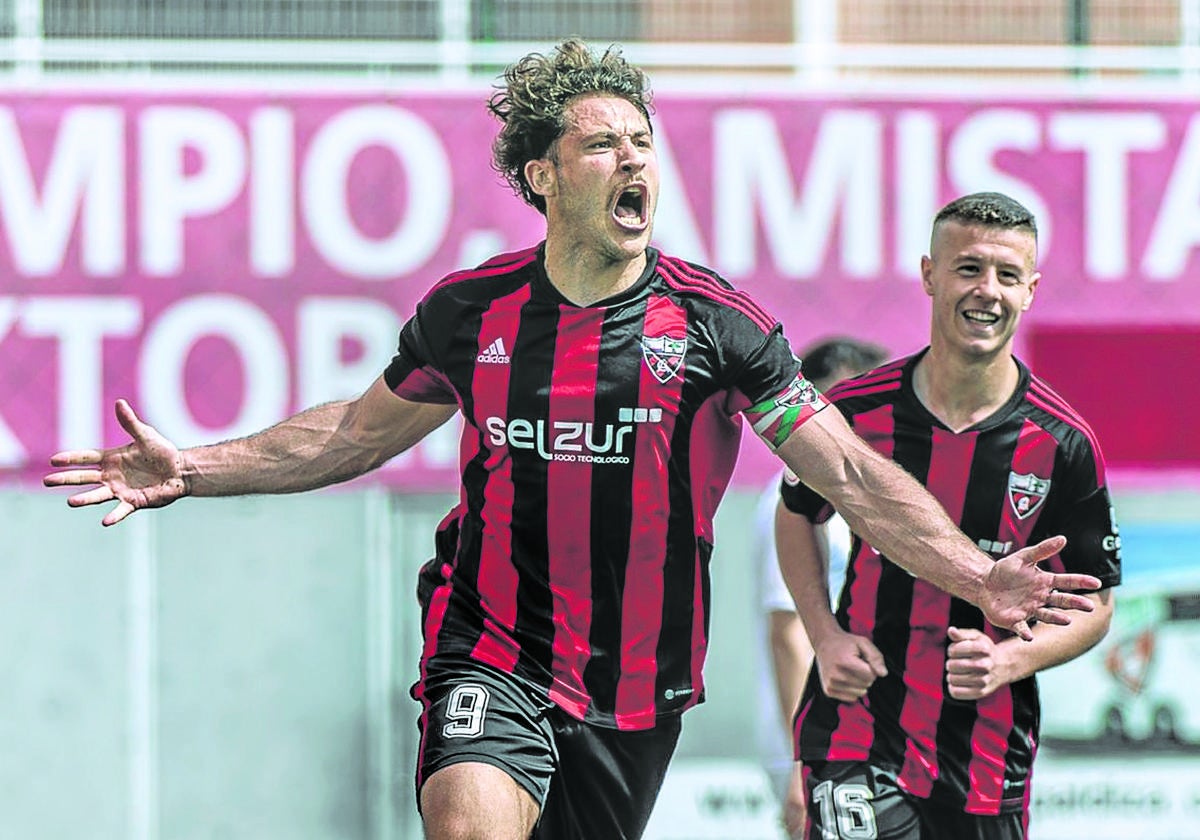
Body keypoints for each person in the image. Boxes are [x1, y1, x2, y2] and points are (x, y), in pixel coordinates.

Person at [44, 42, 1102, 840]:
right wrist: (193, 466)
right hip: (491, 647)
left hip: (637, 687)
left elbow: (851, 478)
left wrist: (979, 572)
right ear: (543, 176)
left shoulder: (722, 332)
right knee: (469, 823)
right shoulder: (472, 314)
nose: (633, 158)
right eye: (604, 142)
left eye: (644, 142)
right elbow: (353, 435)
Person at [776, 192, 1122, 840]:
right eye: (968, 269)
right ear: (931, 274)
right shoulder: (854, 412)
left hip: (987, 755)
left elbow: (1097, 605)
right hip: (856, 725)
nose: (986, 290)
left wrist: (1013, 662)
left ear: (1031, 290)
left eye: (1007, 275)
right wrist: (824, 634)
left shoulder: (1062, 442)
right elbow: (796, 513)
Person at [753, 337, 888, 819]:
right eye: (842, 401)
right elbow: (787, 633)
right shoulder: (788, 501)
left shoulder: (867, 495)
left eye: (869, 400)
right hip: (816, 742)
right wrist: (799, 761)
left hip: (863, 733)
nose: (857, 417)